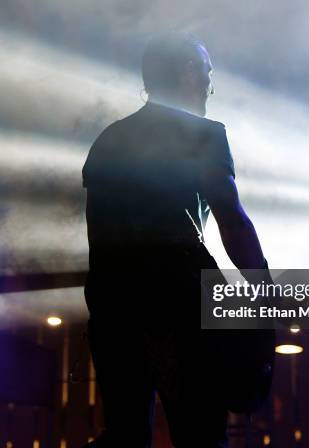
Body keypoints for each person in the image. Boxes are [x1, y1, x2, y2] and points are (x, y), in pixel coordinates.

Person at [82, 32, 271, 448]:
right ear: (188, 74)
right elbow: (233, 222)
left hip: (112, 306)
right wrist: (264, 287)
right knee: (202, 432)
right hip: (179, 298)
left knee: (127, 433)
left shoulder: (109, 140)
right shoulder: (201, 134)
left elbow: (99, 239)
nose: (209, 84)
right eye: (206, 72)